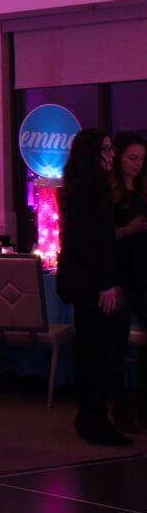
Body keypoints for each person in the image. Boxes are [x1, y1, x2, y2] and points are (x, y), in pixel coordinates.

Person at [57, 129, 131, 446]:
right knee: (97, 350)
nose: (112, 155)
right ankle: (93, 417)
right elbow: (92, 242)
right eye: (106, 149)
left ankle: (91, 416)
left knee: (94, 349)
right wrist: (107, 282)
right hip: (92, 282)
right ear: (91, 153)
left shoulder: (82, 187)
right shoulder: (87, 191)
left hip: (84, 280)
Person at [109, 131, 147, 431]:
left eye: (141, 159)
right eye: (132, 158)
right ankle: (120, 407)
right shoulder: (111, 195)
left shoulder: (142, 191)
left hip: (142, 273)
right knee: (117, 343)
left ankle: (140, 404)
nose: (137, 164)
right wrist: (129, 229)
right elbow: (100, 237)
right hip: (121, 274)